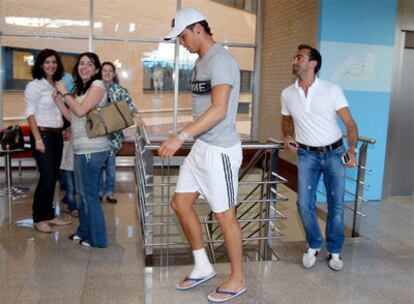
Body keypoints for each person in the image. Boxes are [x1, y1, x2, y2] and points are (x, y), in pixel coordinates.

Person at [159, 8, 246, 303]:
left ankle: (238, 279)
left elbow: (220, 109)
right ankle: (202, 265)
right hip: (201, 147)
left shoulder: (220, 60)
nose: (181, 42)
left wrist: (181, 136)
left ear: (198, 29)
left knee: (225, 216)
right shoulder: (201, 63)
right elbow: (203, 109)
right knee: (180, 203)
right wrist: (189, 136)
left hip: (220, 150)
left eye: (182, 36)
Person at [281, 44, 359, 271]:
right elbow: (286, 119)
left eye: (299, 57)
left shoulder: (332, 89)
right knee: (304, 205)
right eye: (294, 57)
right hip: (306, 155)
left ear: (313, 63)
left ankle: (335, 251)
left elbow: (350, 123)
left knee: (336, 205)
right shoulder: (287, 93)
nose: (295, 61)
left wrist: (351, 149)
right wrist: (287, 136)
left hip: (334, 153)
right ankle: (314, 244)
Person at [54, 52, 110, 248]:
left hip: (92, 149)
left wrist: (66, 94)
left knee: (89, 196)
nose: (83, 67)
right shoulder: (82, 89)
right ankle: (84, 231)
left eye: (89, 64)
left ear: (96, 69)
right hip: (80, 148)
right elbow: (73, 117)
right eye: (81, 63)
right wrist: (59, 100)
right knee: (80, 195)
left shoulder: (98, 86)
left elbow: (80, 110)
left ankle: (98, 238)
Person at [24, 48, 71, 233]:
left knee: (53, 178)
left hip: (56, 135)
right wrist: (37, 139)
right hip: (42, 135)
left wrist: (65, 128)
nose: (51, 65)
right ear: (40, 65)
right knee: (47, 176)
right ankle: (38, 217)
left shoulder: (57, 85)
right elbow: (30, 114)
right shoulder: (34, 85)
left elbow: (60, 110)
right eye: (47, 62)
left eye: (54, 62)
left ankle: (49, 215)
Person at [99, 61, 138, 204]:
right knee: (97, 166)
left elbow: (132, 109)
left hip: (113, 137)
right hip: (97, 135)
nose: (107, 73)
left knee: (110, 166)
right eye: (104, 71)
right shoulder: (95, 89)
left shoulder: (121, 91)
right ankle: (98, 192)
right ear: (100, 72)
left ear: (114, 73)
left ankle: (109, 192)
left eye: (110, 71)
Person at [60, 127, 78, 217]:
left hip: (77, 167)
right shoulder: (66, 136)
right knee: (71, 189)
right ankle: (73, 208)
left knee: (75, 188)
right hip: (67, 167)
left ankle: (65, 201)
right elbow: (64, 153)